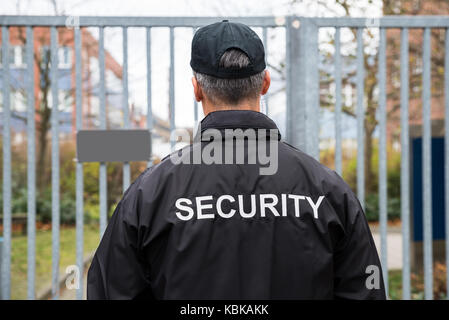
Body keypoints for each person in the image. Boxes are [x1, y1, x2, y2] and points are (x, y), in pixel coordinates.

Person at [87, 20, 386, 300]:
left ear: (196, 89)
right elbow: (364, 290)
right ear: (265, 83)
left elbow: (112, 290)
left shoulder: (150, 193)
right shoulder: (326, 190)